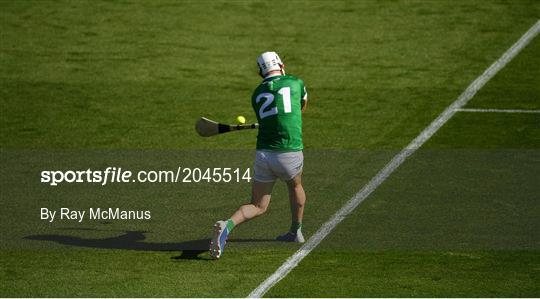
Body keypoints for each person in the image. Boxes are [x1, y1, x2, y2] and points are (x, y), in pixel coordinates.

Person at [210, 51, 309, 259]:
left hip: (264, 155)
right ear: (281, 65)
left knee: (257, 205)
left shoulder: (256, 94)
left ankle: (227, 225)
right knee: (295, 186)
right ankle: (295, 231)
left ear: (260, 72)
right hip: (289, 151)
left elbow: (271, 117)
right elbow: (301, 106)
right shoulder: (295, 82)